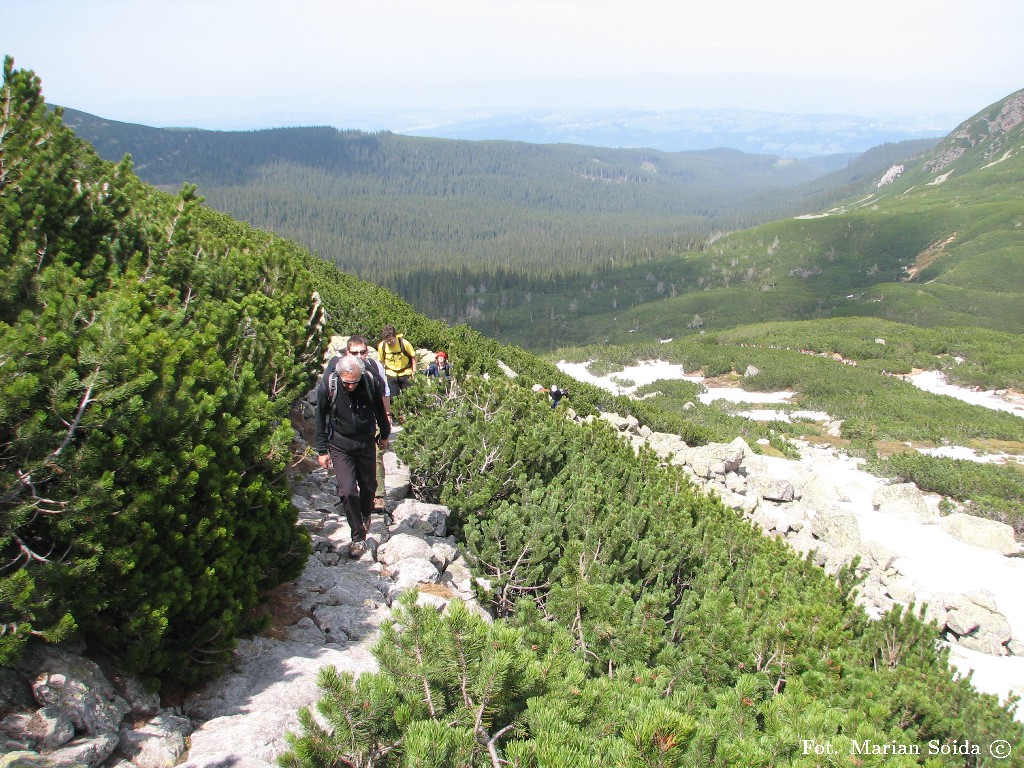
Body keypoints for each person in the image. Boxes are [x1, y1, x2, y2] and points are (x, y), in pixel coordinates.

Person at [315, 354, 390, 559]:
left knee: (369, 486)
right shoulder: (328, 387)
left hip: (365, 441)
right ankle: (358, 537)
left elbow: (379, 411)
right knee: (347, 491)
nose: (351, 386)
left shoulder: (369, 384)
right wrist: (322, 450)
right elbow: (320, 418)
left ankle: (365, 513)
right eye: (347, 382)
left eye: (355, 382)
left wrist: (384, 435)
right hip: (339, 444)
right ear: (339, 376)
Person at [345, 335, 394, 524]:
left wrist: (386, 417)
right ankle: (354, 494)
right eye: (355, 352)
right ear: (347, 352)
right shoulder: (340, 369)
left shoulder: (375, 368)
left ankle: (378, 495)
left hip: (371, 420)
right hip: (347, 425)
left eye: (362, 352)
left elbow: (384, 392)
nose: (359, 355)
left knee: (376, 455)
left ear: (367, 352)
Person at [377, 325, 417, 399]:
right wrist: (382, 374)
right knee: (393, 398)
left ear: (395, 336)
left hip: (406, 372)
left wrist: (414, 371)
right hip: (391, 373)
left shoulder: (404, 343)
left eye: (391, 340)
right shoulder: (382, 346)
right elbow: (381, 361)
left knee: (410, 397)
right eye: (387, 340)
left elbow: (413, 356)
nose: (390, 342)